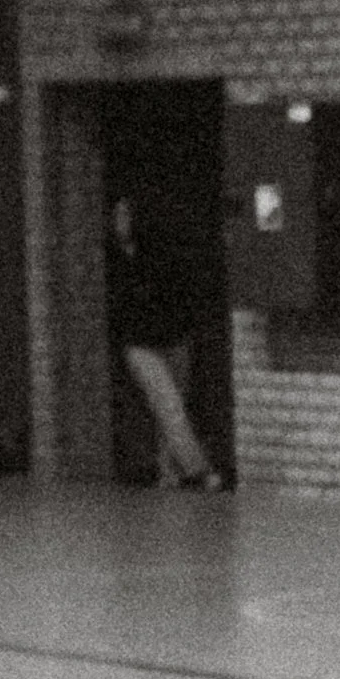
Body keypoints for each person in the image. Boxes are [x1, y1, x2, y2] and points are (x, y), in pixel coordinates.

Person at [105, 192, 221, 488]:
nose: (118, 222)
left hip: (174, 337)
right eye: (115, 216)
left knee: (170, 410)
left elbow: (179, 293)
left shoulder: (158, 253)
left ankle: (168, 476)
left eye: (124, 215)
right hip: (140, 344)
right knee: (170, 406)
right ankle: (201, 470)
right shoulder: (112, 258)